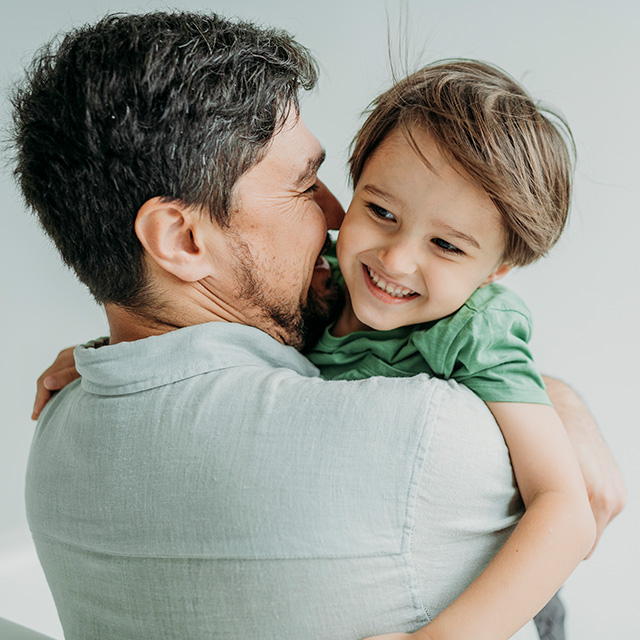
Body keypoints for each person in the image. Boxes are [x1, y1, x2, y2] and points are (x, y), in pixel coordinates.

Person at [15, 11, 624, 640]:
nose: (336, 216)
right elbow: (561, 504)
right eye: (308, 185)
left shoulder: (56, 441)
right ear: (183, 238)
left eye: (447, 244)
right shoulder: (429, 436)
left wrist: (102, 356)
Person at [307, 60, 594, 638]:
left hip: (501, 603)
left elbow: (565, 506)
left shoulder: (473, 329)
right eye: (380, 212)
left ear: (498, 268)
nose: (394, 260)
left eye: (445, 245)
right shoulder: (313, 279)